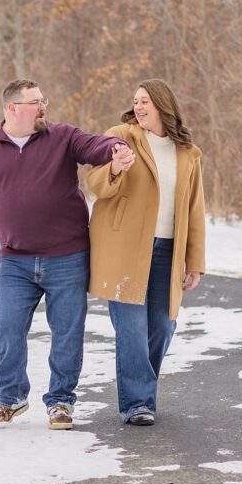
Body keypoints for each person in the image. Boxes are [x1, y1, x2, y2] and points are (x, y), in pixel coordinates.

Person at [0, 79, 133, 430]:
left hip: (67, 257)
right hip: (15, 260)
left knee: (67, 332)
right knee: (8, 327)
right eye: (35, 102)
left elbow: (95, 144)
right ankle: (11, 397)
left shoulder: (61, 137)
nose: (43, 106)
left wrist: (116, 148)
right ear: (12, 108)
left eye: (43, 99)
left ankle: (61, 401)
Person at [87, 79, 205, 426]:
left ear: (163, 105)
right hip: (126, 249)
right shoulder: (120, 136)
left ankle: (141, 394)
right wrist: (115, 168)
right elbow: (94, 184)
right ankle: (137, 403)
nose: (139, 107)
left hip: (168, 252)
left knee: (162, 327)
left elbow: (194, 210)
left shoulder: (188, 152)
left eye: (146, 102)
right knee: (132, 330)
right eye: (136, 101)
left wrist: (194, 260)